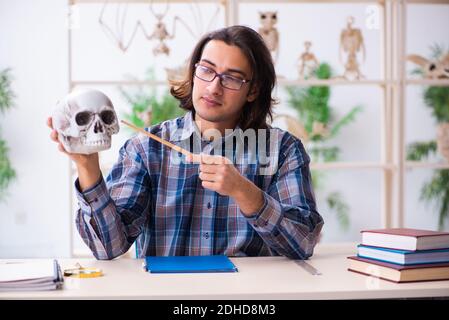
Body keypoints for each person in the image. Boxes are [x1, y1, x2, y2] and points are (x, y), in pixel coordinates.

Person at [47, 25, 324, 260]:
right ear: (193, 73)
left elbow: (303, 243)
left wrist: (245, 192)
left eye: (232, 78)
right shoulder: (146, 148)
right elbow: (107, 247)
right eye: (207, 70)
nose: (214, 87)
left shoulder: (283, 149)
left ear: (253, 90)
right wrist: (87, 166)